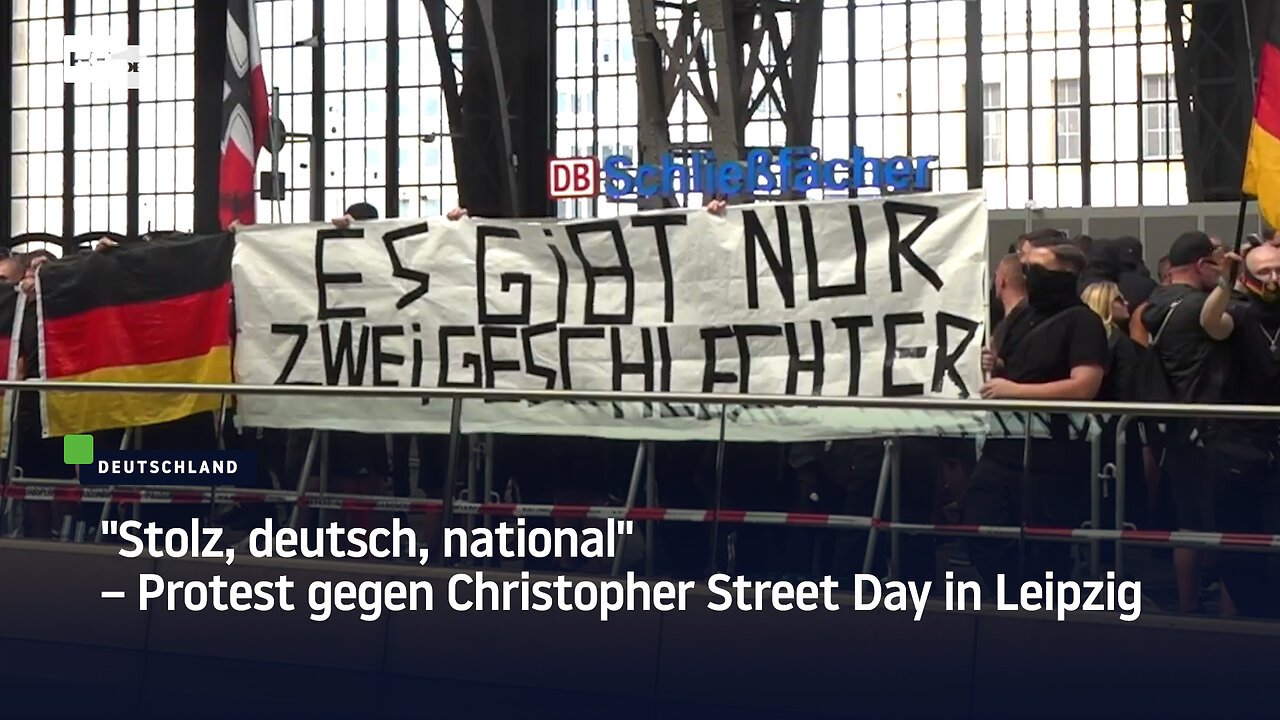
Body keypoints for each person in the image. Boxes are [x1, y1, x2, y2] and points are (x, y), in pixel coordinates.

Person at [964, 243, 1107, 593]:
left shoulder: (1082, 322)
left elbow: (1084, 386)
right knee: (979, 527)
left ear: (1065, 275)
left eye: (1037, 269)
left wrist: (1015, 390)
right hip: (1002, 449)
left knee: (1045, 552)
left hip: (1052, 456)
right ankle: (1006, 596)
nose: (1027, 276)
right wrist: (995, 366)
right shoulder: (1023, 317)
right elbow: (1018, 368)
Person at [1141, 230, 1229, 614]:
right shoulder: (1200, 307)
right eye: (1217, 261)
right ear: (1201, 264)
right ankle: (1232, 608)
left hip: (1175, 424)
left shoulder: (1153, 305)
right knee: (1228, 522)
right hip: (1210, 426)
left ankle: (1188, 603)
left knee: (1187, 524)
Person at [1197, 243, 1280, 617]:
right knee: (1241, 543)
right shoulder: (1239, 313)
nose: (1274, 278)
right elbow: (1211, 323)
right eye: (1264, 272)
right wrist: (1224, 286)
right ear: (1248, 276)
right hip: (1239, 447)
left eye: (1279, 270)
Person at [983, 254, 1027, 373]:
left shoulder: (1017, 322)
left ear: (1002, 280)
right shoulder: (1036, 316)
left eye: (996, 275)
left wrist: (996, 363)